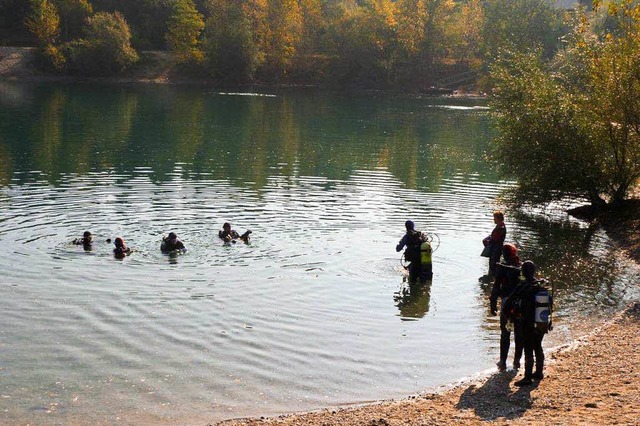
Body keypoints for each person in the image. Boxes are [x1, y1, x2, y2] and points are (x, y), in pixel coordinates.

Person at [503, 260, 552, 386]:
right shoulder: (541, 286)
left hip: (526, 322)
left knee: (528, 348)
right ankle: (539, 372)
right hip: (541, 321)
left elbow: (508, 303)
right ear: (534, 271)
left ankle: (527, 377)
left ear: (523, 272)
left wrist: (509, 315)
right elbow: (550, 305)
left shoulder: (522, 286)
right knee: (538, 346)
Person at [489, 243, 522, 371]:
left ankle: (502, 362)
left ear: (504, 254)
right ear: (515, 253)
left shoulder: (502, 268)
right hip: (520, 304)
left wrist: (492, 304)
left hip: (507, 302)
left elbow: (496, 286)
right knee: (519, 333)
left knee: (505, 332)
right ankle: (517, 362)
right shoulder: (521, 267)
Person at [483, 210, 506, 275]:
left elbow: (495, 238)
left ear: (498, 218)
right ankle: (492, 278)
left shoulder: (501, 227)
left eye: (494, 218)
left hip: (496, 249)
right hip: (496, 248)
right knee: (493, 264)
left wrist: (487, 241)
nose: (493, 219)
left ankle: (493, 279)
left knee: (493, 265)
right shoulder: (500, 226)